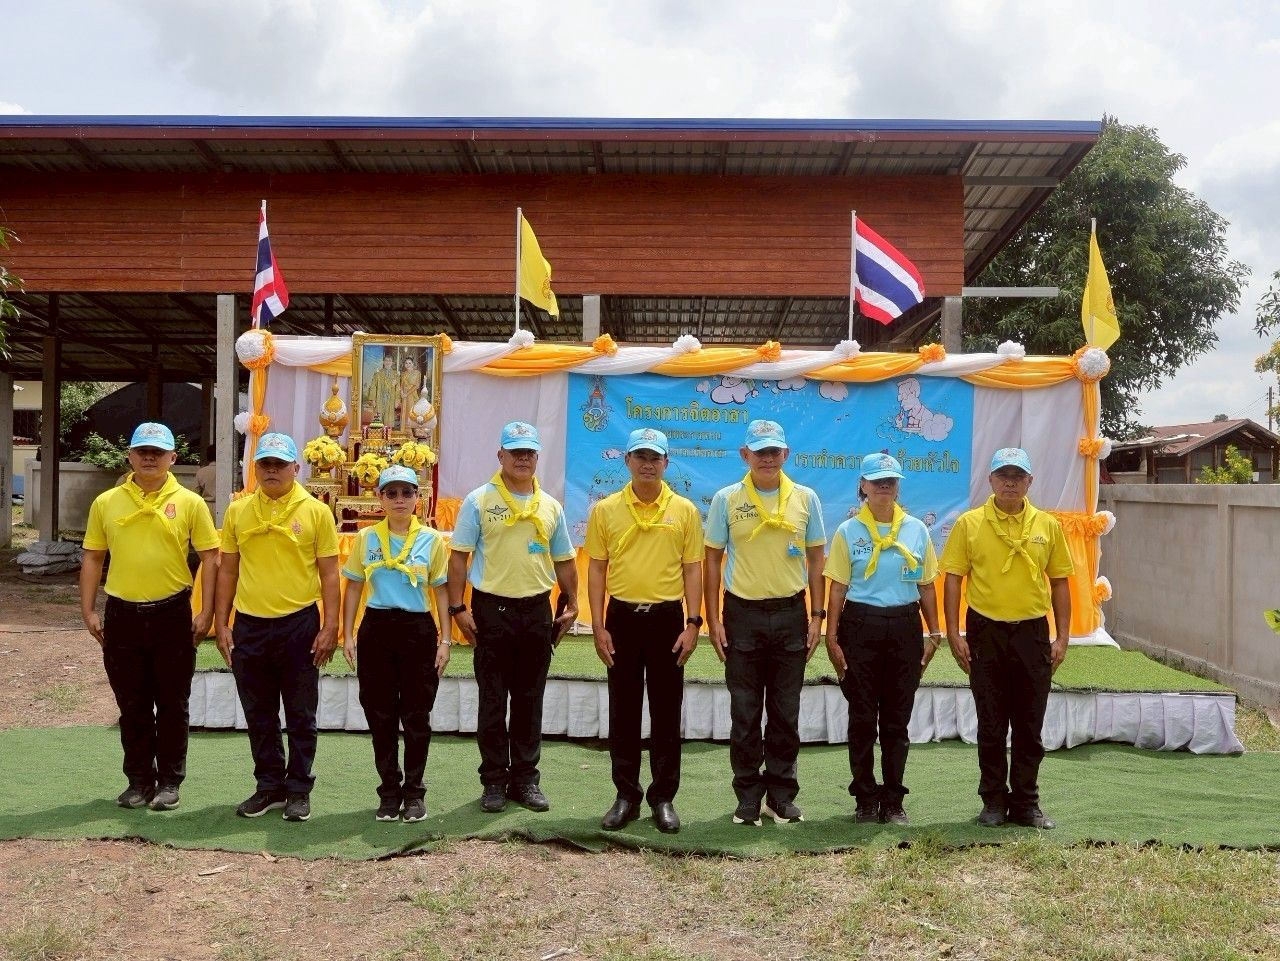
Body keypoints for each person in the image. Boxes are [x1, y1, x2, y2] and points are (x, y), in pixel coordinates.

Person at [79, 422, 220, 811]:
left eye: (158, 452)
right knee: (133, 703)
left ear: (173, 458)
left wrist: (205, 611)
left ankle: (170, 781)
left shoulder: (190, 502)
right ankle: (139, 780)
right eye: (142, 451)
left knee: (173, 702)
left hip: (172, 613)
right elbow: (93, 556)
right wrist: (88, 609)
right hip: (122, 614)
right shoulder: (106, 502)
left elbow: (211, 556)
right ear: (130, 456)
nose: (149, 458)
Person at [447, 421, 578, 814]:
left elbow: (565, 559)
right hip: (492, 611)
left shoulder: (550, 506)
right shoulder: (478, 500)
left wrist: (572, 601)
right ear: (500, 455)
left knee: (529, 700)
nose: (522, 458)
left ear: (537, 457)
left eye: (529, 452)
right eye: (515, 451)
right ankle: (493, 782)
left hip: (536, 612)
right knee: (492, 700)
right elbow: (459, 557)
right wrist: (458, 607)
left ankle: (525, 779)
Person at [941, 447, 1074, 830]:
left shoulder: (1047, 525)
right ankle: (993, 802)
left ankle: (1027, 803)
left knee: (1030, 724)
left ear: (1030, 481)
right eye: (1003, 475)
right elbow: (953, 578)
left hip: (1032, 633)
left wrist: (1062, 637)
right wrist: (954, 633)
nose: (1010, 482)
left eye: (1018, 476)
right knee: (992, 722)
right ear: (991, 481)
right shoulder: (969, 524)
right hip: (985, 631)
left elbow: (1060, 581)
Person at [704, 419, 827, 826]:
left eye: (775, 451)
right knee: (744, 711)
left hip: (792, 615)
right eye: (760, 452)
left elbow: (815, 560)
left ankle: (781, 795)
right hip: (742, 615)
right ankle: (747, 796)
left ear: (786, 454)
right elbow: (711, 558)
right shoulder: (726, 499)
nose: (768, 458)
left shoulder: (806, 498)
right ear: (746, 455)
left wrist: (816, 616)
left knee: (785, 712)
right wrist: (712, 618)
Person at [214, 432, 341, 823]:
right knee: (260, 712)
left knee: (301, 713)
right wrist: (222, 622)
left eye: (279, 464)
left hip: (300, 625)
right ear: (255, 469)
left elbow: (330, 574)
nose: (271, 470)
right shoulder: (238, 511)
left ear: (295, 468)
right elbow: (229, 569)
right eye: (264, 464)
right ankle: (269, 786)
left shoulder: (316, 511)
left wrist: (330, 625)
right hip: (250, 625)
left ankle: (299, 788)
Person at [586, 427, 703, 834]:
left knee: (667, 711)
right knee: (624, 709)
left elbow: (693, 568)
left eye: (655, 457)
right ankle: (626, 795)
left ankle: (664, 797)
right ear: (628, 461)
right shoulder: (607, 509)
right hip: (621, 619)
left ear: (666, 463)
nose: (648, 464)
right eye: (641, 456)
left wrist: (693, 623)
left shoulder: (685, 510)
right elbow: (597, 567)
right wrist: (598, 624)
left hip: (668, 620)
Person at [823, 452, 943, 825]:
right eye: (877, 481)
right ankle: (864, 797)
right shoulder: (848, 531)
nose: (884, 487)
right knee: (862, 718)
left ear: (898, 485)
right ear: (863, 486)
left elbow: (925, 585)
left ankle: (893, 799)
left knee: (896, 720)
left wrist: (934, 632)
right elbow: (839, 587)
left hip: (904, 626)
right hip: (859, 625)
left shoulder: (915, 530)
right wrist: (832, 637)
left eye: (890, 481)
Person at [341, 465, 451, 823]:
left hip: (418, 631)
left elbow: (441, 591)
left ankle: (415, 793)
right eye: (392, 493)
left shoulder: (432, 541)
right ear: (380, 498)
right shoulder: (366, 538)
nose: (400, 500)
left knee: (417, 715)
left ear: (418, 497)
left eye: (407, 493)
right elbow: (354, 586)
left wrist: (446, 639)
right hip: (377, 628)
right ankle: (389, 791)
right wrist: (347, 634)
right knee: (381, 714)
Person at [365, 352, 398, 426]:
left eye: (389, 360)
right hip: (379, 398)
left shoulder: (396, 374)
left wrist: (397, 400)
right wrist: (373, 399)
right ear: (383, 362)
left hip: (391, 398)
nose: (388, 362)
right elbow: (373, 386)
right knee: (378, 418)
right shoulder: (378, 373)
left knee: (389, 419)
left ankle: (388, 434)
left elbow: (397, 388)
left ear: (392, 362)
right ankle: (379, 434)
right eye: (386, 360)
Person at [399, 356, 422, 433]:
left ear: (413, 364)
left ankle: (412, 434)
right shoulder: (403, 374)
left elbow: (417, 386)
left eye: (409, 363)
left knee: (412, 412)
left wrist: (407, 394)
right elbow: (401, 385)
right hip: (404, 396)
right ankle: (404, 432)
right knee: (404, 413)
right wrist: (402, 392)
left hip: (412, 395)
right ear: (404, 364)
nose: (408, 364)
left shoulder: (417, 373)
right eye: (406, 363)